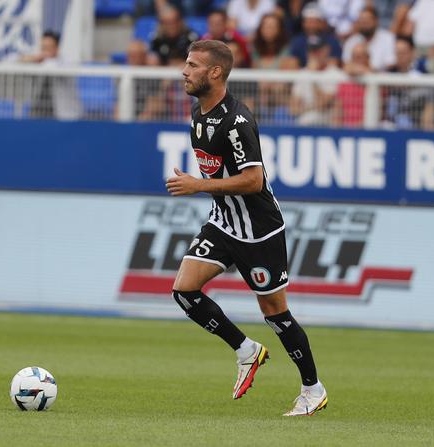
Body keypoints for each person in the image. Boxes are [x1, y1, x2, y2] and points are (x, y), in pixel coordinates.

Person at [167, 39, 327, 416]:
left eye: (192, 65)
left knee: (275, 313)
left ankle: (313, 389)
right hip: (223, 223)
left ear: (215, 72)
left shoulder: (237, 122)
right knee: (184, 291)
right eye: (186, 64)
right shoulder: (197, 113)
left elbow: (253, 180)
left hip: (259, 230)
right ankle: (246, 350)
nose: (184, 71)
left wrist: (198, 185)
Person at [22, 30, 81, 120]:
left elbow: (52, 65)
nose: (45, 52)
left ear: (57, 48)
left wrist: (39, 60)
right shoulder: (37, 61)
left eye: (48, 48)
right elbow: (14, 62)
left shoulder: (65, 62)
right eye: (43, 48)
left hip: (65, 116)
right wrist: (34, 59)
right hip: (39, 114)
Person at [290, 34, 340, 126]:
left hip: (325, 125)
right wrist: (312, 107)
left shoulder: (335, 74)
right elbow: (293, 109)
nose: (314, 54)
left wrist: (313, 78)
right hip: (302, 125)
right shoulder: (302, 74)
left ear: (327, 50)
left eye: (317, 51)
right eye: (311, 51)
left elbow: (324, 104)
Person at [288, 2, 342, 69]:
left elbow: (334, 63)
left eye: (314, 22)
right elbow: (292, 63)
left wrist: (319, 63)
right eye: (308, 22)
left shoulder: (332, 41)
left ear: (321, 23)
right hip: (303, 76)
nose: (311, 25)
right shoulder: (298, 41)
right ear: (303, 23)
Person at [343, 6, 396, 72]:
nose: (365, 24)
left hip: (383, 79)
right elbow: (346, 65)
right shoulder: (351, 41)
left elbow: (390, 65)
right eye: (362, 21)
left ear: (376, 21)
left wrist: (369, 71)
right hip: (356, 80)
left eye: (367, 20)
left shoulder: (388, 38)